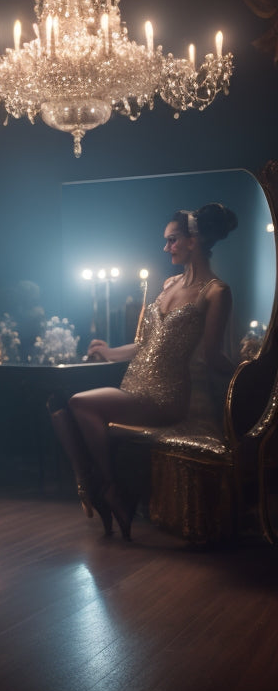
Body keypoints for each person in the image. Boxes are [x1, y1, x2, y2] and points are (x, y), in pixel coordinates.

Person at [50, 203, 238, 541]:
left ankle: (110, 489)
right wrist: (108, 351)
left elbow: (212, 356)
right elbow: (144, 345)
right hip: (135, 386)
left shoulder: (216, 292)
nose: (166, 247)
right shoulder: (168, 284)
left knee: (81, 403)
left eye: (172, 240)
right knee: (60, 410)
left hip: (166, 396)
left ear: (193, 240)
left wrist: (246, 372)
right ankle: (103, 489)